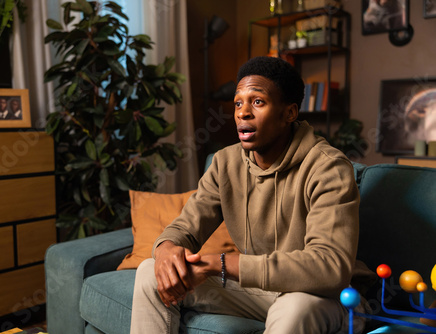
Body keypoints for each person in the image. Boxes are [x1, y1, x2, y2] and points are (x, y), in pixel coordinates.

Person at [130, 56, 375, 334]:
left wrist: (220, 264)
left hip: (326, 298)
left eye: (257, 102)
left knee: (293, 308)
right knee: (150, 272)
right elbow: (185, 227)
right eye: (238, 103)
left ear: (289, 113)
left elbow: (330, 267)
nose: (242, 113)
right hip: (260, 291)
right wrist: (165, 249)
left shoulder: (328, 167)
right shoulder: (225, 164)